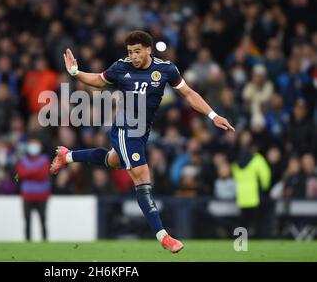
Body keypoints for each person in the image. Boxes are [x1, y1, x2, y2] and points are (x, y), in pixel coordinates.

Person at [50, 31, 235, 253]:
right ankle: (163, 236)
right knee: (142, 177)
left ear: (148, 50)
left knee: (113, 160)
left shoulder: (166, 69)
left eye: (137, 51)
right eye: (130, 52)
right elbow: (99, 81)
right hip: (124, 129)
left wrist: (213, 116)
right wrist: (74, 72)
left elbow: (188, 94)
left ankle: (67, 155)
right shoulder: (121, 67)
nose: (133, 56)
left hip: (142, 132)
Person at [16, 138, 51, 241]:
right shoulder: (23, 160)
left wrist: (29, 173)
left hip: (41, 196)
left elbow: (43, 175)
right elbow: (20, 174)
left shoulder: (45, 159)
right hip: (27, 196)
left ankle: (44, 240)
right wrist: (36, 172)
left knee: (43, 220)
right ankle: (28, 240)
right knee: (27, 221)